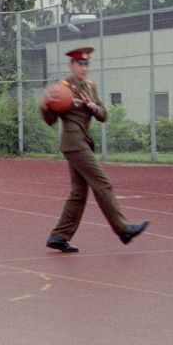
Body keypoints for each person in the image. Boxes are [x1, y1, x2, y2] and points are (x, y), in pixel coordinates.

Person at [41, 46, 149, 253]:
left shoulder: (90, 87)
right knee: (102, 183)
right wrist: (45, 106)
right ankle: (123, 229)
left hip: (84, 141)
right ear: (71, 65)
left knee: (79, 192)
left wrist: (93, 107)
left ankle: (59, 236)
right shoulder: (61, 89)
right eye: (79, 64)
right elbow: (50, 120)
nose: (83, 68)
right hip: (73, 143)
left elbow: (103, 115)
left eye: (86, 64)